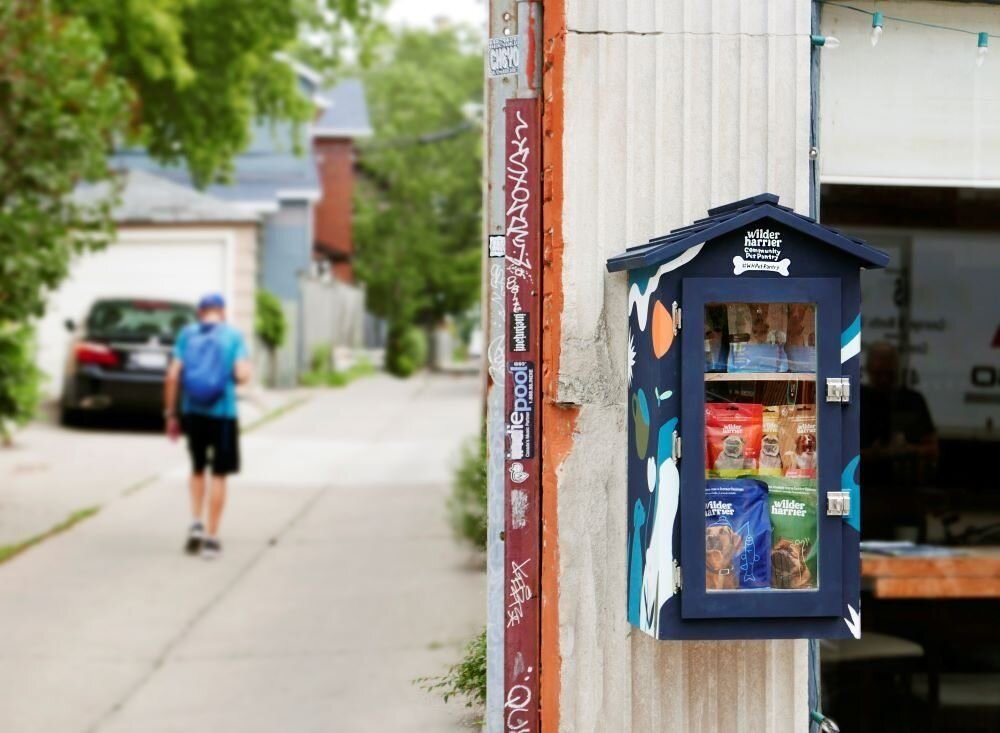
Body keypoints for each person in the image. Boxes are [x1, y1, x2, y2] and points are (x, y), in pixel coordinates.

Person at [164, 294, 251, 559]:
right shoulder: (233, 336)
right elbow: (243, 375)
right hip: (223, 414)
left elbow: (172, 376)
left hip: (193, 412)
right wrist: (235, 374)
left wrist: (171, 414)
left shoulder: (187, 334)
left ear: (200, 313)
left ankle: (196, 524)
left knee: (197, 468)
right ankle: (212, 539)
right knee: (219, 474)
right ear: (222, 312)